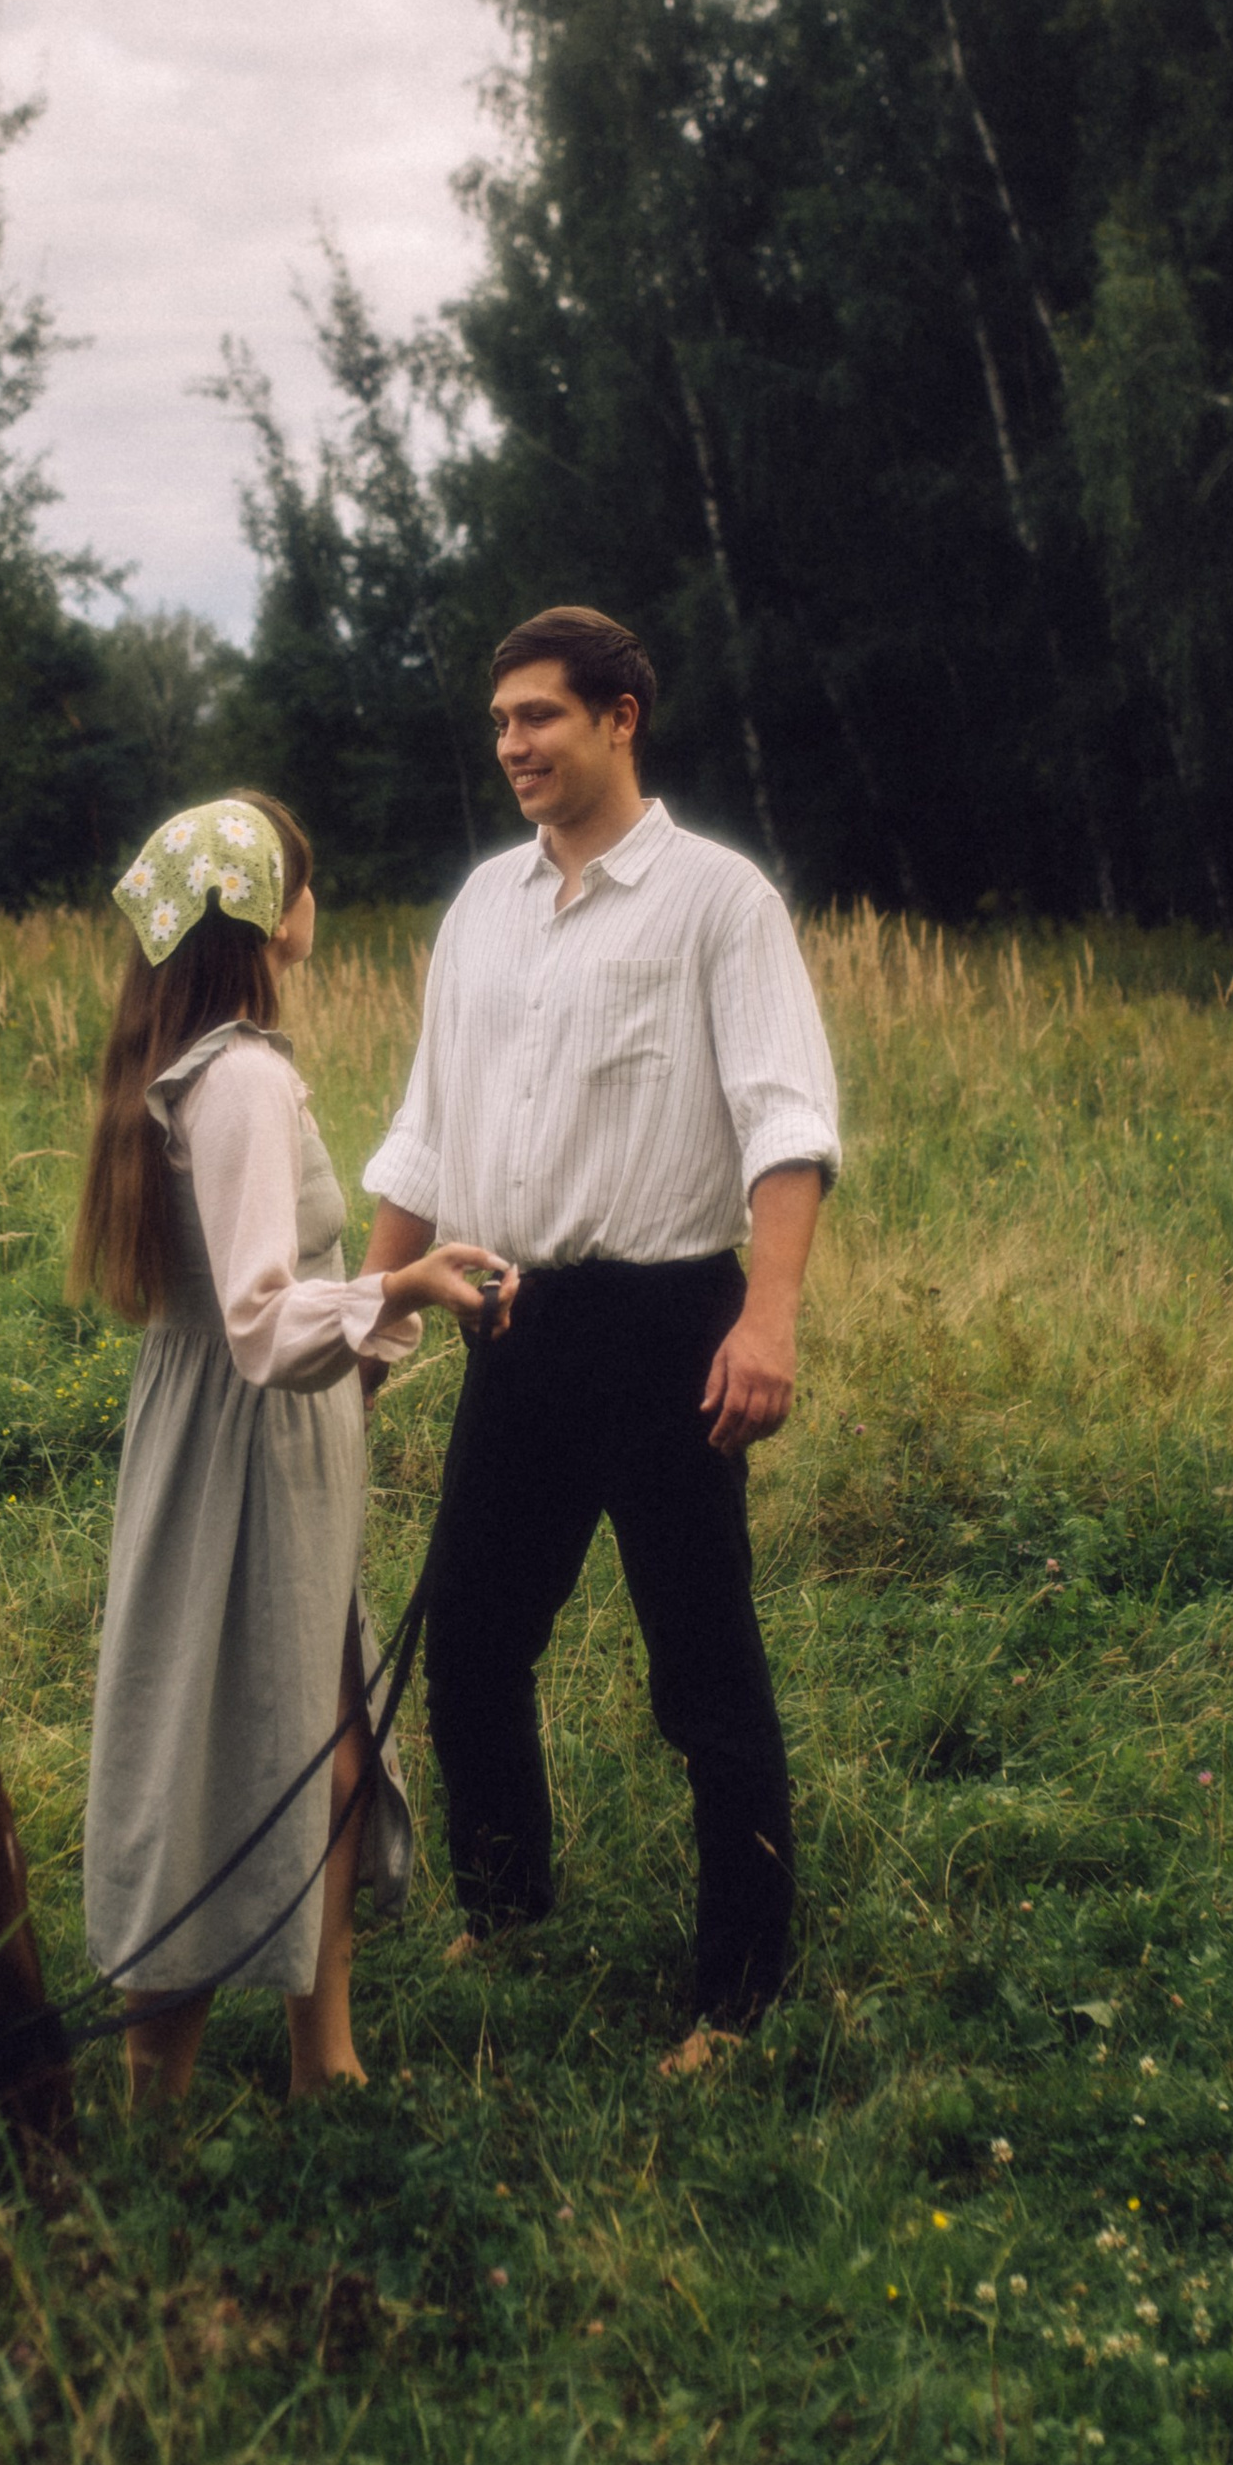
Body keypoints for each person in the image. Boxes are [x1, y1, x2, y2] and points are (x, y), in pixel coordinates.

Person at [358, 609, 841, 2073]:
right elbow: (423, 1132)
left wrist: (768, 1317)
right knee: (477, 1642)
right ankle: (506, 1905)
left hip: (667, 1325)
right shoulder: (481, 910)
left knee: (701, 1667)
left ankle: (739, 1995)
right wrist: (369, 1325)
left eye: (540, 718)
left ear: (622, 718)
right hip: (509, 1319)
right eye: (501, 722)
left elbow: (786, 1118)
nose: (512, 745)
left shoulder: (718, 902)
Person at [71, 789, 504, 2106]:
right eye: (304, 881)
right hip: (248, 1453)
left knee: (332, 1749)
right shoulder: (244, 1078)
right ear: (271, 913)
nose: (320, 901)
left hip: (247, 1446)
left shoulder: (192, 1057)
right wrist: (410, 1287)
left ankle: (329, 2057)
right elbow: (261, 1321)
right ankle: (160, 2091)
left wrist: (380, 1327)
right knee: (220, 1750)